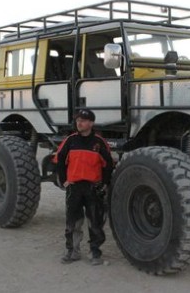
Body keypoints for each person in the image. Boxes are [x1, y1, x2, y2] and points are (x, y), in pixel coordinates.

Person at [56, 109, 113, 265]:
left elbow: (108, 165)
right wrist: (64, 180)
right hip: (74, 188)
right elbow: (60, 160)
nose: (79, 123)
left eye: (83, 120)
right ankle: (72, 252)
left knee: (95, 223)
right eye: (77, 120)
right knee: (72, 223)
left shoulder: (99, 143)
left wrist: (104, 184)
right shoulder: (70, 140)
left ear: (91, 123)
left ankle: (95, 253)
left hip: (92, 189)